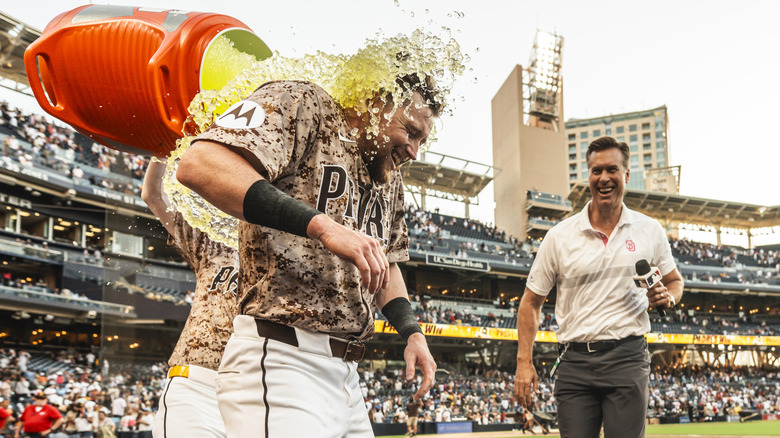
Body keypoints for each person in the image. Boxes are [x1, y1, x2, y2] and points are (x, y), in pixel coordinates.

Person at [176, 73, 441, 437]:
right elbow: (201, 163)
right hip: (283, 357)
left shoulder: (389, 178)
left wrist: (412, 333)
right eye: (410, 132)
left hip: (347, 376)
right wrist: (324, 226)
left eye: (422, 140)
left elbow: (386, 263)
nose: (414, 151)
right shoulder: (304, 102)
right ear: (376, 102)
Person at [514, 136, 684, 438]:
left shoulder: (649, 230)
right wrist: (524, 362)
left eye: (612, 170)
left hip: (627, 357)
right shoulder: (559, 236)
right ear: (588, 176)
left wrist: (668, 296)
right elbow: (530, 302)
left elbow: (675, 282)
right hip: (574, 362)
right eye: (596, 171)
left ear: (626, 175)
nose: (604, 178)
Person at [141, 160, 239, 438]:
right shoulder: (214, 247)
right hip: (197, 383)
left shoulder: (283, 256)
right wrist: (162, 148)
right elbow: (152, 194)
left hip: (253, 391)